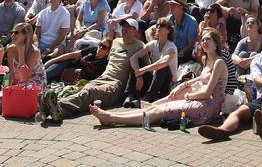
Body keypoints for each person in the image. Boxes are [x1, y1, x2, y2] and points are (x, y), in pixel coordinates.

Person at [91, 27, 228, 130]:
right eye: (202, 39)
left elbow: (207, 92)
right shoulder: (206, 59)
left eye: (208, 39)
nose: (204, 42)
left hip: (208, 106)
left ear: (216, 43)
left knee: (159, 110)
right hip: (201, 101)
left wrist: (187, 96)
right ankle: (112, 118)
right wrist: (183, 85)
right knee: (156, 108)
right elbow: (202, 78)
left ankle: (111, 119)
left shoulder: (219, 63)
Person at [196, 26, 262, 140]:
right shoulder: (257, 59)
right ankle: (222, 130)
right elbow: (256, 78)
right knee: (238, 112)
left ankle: (261, 122)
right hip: (261, 99)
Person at [39, 18, 145, 122]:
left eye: (128, 27)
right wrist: (52, 60)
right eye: (123, 26)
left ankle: (57, 106)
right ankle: (53, 109)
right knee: (86, 90)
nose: (124, 29)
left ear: (135, 30)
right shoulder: (116, 42)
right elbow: (101, 49)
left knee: (91, 92)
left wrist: (139, 77)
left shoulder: (140, 45)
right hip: (102, 78)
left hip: (116, 84)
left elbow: (147, 65)